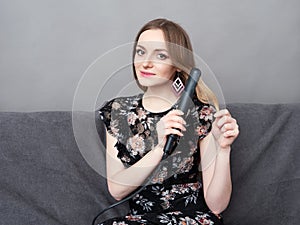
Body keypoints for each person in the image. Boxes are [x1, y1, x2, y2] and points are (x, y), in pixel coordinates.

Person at [97, 18, 239, 225]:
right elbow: (117, 190)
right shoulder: (117, 112)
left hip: (190, 219)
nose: (146, 63)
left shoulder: (200, 113)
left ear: (177, 64)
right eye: (140, 52)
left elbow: (217, 205)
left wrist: (224, 149)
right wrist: (159, 147)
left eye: (161, 55)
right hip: (140, 220)